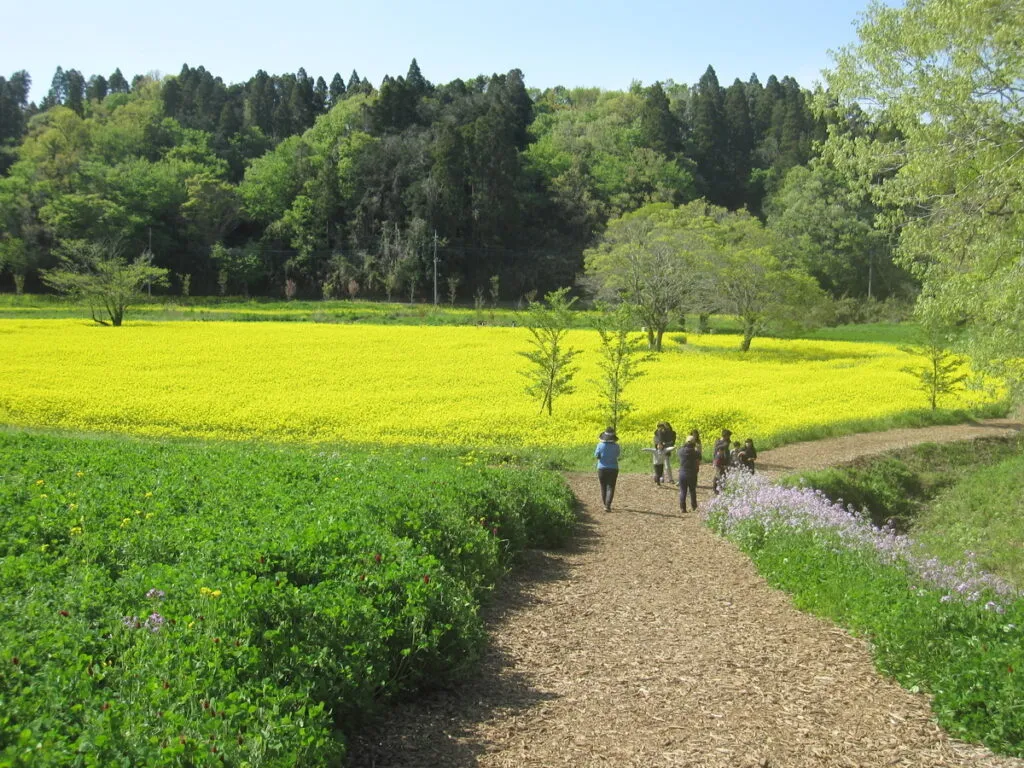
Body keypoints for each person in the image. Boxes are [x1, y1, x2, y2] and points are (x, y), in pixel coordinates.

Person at [594, 427, 621, 512]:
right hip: (613, 468)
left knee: (603, 486)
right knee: (611, 487)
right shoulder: (616, 446)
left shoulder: (600, 445)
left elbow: (596, 455)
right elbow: (617, 455)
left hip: (601, 468)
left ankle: (605, 504)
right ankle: (608, 505)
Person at [677, 434, 700, 513]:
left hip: (682, 472)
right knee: (692, 491)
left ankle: (683, 508)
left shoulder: (681, 451)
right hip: (692, 473)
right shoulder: (695, 452)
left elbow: (679, 453)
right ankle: (694, 507)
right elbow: (699, 459)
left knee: (683, 491)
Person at [712, 428, 732, 494]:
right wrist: (714, 460)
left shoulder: (726, 441)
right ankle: (715, 488)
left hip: (724, 459)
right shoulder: (720, 442)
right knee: (718, 474)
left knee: (723, 474)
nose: (729, 437)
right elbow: (715, 450)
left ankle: (721, 487)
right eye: (728, 435)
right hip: (719, 459)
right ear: (725, 435)